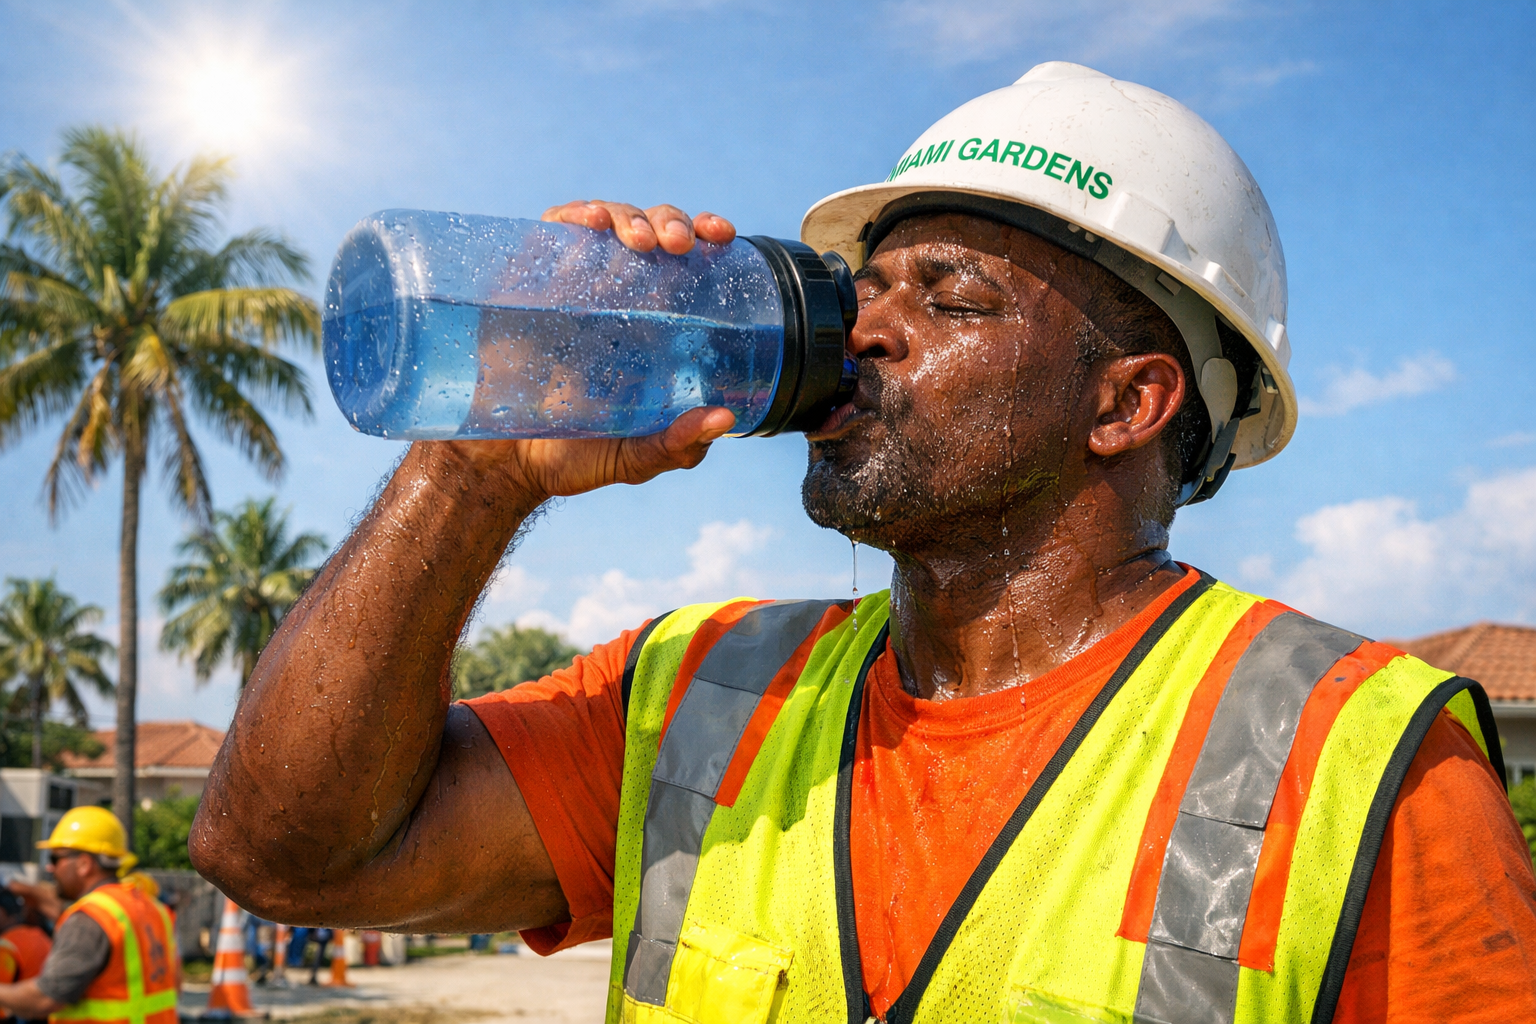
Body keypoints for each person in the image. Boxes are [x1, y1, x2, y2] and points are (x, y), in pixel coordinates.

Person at [190, 63, 1536, 1023]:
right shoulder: (704, 694)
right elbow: (286, 855)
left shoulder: (1362, 768)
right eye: (862, 289)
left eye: (947, 296)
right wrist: (472, 473)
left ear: (1128, 403)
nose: (867, 335)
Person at [0, 808, 177, 1024]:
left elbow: (46, 998)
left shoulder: (90, 917)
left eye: (56, 858)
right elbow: (175, 984)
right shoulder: (152, 908)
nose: (49, 867)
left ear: (84, 864)